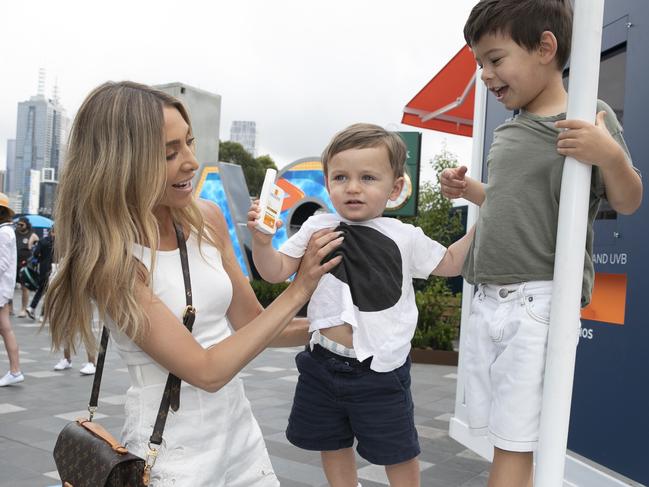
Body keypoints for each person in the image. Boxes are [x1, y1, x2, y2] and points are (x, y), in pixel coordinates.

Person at [44, 81, 343, 487]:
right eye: (169, 153)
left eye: (188, 142)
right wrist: (300, 287)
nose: (190, 162)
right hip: (170, 453)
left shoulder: (206, 218)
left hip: (239, 436)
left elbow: (256, 324)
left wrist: (348, 326)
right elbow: (206, 371)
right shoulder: (112, 263)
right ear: (123, 163)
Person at [439, 2, 643, 486]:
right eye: (479, 64)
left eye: (494, 59)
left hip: (536, 300)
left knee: (513, 445)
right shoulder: (508, 130)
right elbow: (511, 203)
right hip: (487, 297)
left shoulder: (590, 118)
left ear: (545, 48)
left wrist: (609, 155)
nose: (485, 75)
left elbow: (629, 197)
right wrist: (471, 192)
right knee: (506, 437)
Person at [248, 123, 475, 487]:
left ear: (396, 187)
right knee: (331, 442)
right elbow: (275, 272)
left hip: (380, 368)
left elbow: (449, 262)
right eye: (340, 177)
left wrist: (480, 226)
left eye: (368, 177)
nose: (353, 187)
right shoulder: (316, 226)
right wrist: (261, 243)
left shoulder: (404, 236)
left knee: (396, 448)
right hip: (322, 362)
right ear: (327, 182)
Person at [0, 193, 24, 387]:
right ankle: (15, 370)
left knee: (5, 328)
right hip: (3, 288)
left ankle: (15, 370)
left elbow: (2, 263)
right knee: (5, 328)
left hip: (1, 288)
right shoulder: (6, 231)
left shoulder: (3, 233)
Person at [26, 226, 54, 320]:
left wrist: (40, 259)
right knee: (49, 292)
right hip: (54, 268)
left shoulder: (43, 241)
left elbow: (35, 253)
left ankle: (32, 307)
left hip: (43, 269)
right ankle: (43, 314)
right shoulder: (60, 243)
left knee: (41, 289)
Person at [14, 216, 38, 317]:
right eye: (18, 224)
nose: (19, 226)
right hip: (13, 263)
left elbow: (38, 243)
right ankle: (10, 308)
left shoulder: (31, 234)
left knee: (25, 287)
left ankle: (23, 309)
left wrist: (32, 242)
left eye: (21, 224)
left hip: (24, 264)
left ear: (26, 225)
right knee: (10, 286)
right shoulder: (15, 233)